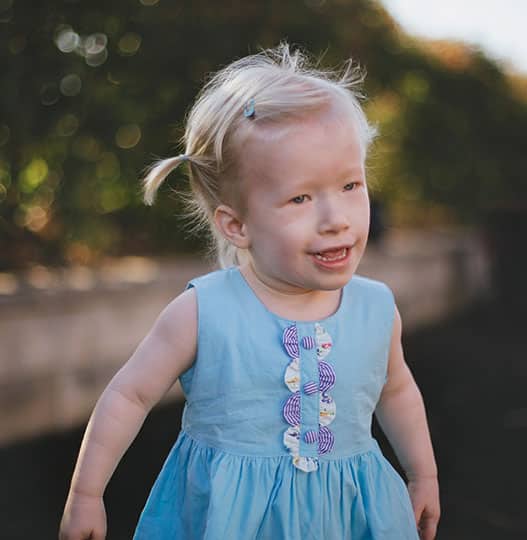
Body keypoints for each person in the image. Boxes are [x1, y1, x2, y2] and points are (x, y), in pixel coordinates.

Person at [59, 43, 440, 540]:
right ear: (236, 225)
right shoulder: (204, 311)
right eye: (300, 198)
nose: (336, 219)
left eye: (350, 186)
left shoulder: (376, 308)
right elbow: (129, 396)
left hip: (348, 516)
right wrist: (86, 495)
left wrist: (422, 475)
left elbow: (395, 388)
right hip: (231, 520)